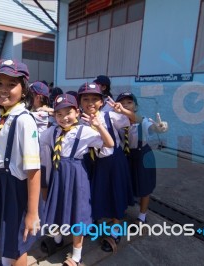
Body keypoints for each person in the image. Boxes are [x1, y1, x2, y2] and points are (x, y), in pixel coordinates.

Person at [40, 93, 114, 265]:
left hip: (77, 176)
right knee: (58, 207)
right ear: (54, 115)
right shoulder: (51, 132)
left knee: (77, 213)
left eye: (68, 112)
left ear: (77, 113)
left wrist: (99, 126)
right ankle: (57, 239)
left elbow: (109, 144)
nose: (64, 117)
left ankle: (76, 254)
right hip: (58, 176)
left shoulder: (84, 131)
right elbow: (37, 143)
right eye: (59, 114)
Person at [0, 59, 41, 266]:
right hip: (1, 183)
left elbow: (33, 170)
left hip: (16, 189)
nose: (4, 89)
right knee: (6, 236)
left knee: (17, 243)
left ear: (23, 90)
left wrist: (32, 212)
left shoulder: (23, 120)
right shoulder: (3, 115)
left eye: (11, 84)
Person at [77, 82, 136, 253]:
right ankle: (94, 223)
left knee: (115, 193)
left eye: (95, 99)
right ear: (80, 102)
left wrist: (122, 110)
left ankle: (116, 230)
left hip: (113, 161)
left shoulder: (109, 116)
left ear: (101, 102)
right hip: (93, 162)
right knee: (95, 193)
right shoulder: (78, 119)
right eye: (85, 99)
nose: (90, 103)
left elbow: (133, 119)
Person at [115, 92, 168, 227]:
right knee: (127, 185)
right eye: (122, 103)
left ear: (136, 106)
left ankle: (142, 216)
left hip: (143, 156)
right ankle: (123, 210)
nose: (126, 105)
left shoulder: (143, 121)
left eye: (129, 102)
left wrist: (160, 127)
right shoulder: (118, 123)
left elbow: (154, 128)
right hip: (127, 156)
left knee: (145, 187)